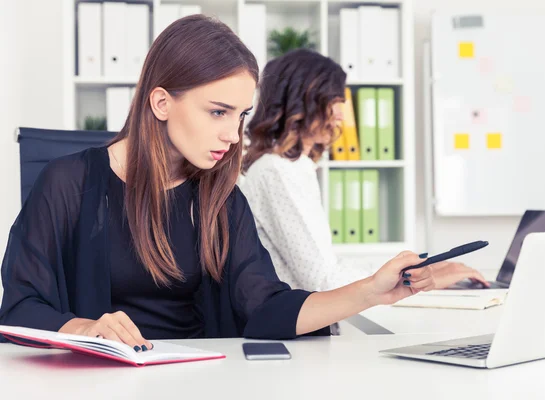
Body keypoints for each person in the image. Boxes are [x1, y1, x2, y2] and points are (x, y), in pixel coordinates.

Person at [0, 15, 474, 352]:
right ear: (161, 102)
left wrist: (372, 290)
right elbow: (19, 308)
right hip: (102, 385)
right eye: (218, 111)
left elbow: (263, 305)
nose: (234, 134)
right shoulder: (67, 182)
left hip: (200, 377)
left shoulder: (219, 195)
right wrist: (85, 327)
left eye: (241, 114)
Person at [241, 49, 489, 292]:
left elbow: (326, 268)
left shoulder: (293, 168)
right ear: (301, 101)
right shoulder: (277, 172)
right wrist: (416, 279)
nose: (341, 115)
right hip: (298, 326)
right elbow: (323, 281)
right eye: (335, 101)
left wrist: (415, 270)